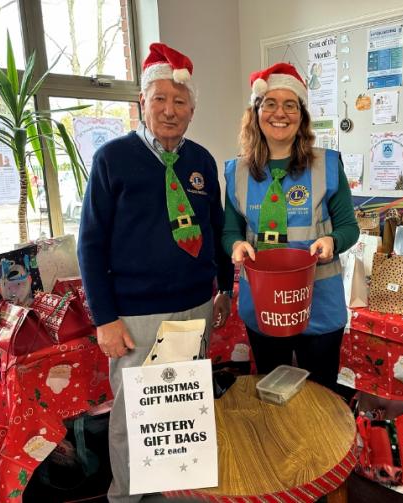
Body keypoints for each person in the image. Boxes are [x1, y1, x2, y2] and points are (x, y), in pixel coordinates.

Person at [77, 42, 233, 502]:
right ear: (141, 102)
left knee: (183, 414)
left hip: (196, 308)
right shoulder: (112, 159)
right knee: (134, 418)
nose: (169, 110)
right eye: (160, 98)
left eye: (180, 101)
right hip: (135, 318)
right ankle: (126, 498)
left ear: (192, 110)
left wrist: (225, 287)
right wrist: (105, 318)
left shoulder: (201, 161)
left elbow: (216, 228)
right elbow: (90, 244)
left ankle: (176, 493)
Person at [222, 63, 359, 392]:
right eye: (270, 103)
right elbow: (230, 231)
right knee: (273, 394)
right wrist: (236, 245)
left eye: (290, 105)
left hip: (318, 306)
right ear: (256, 112)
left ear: (302, 116)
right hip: (264, 308)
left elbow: (348, 227)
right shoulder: (237, 172)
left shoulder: (327, 165)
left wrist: (333, 240)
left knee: (321, 398)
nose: (280, 113)